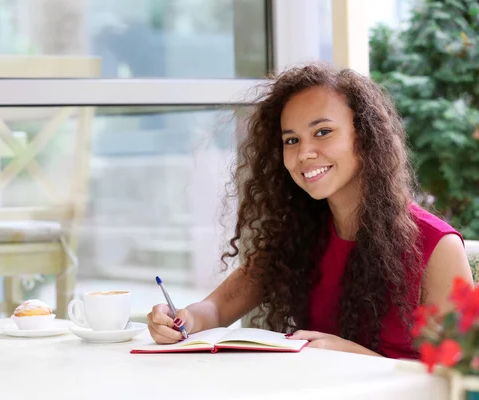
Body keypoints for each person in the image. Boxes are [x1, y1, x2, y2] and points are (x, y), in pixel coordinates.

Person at [147, 63, 473, 359]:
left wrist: (355, 358)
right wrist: (184, 319)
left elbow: (461, 377)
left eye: (322, 132)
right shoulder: (299, 235)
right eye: (291, 140)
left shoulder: (436, 246)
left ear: (365, 137)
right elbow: (216, 309)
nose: (304, 153)